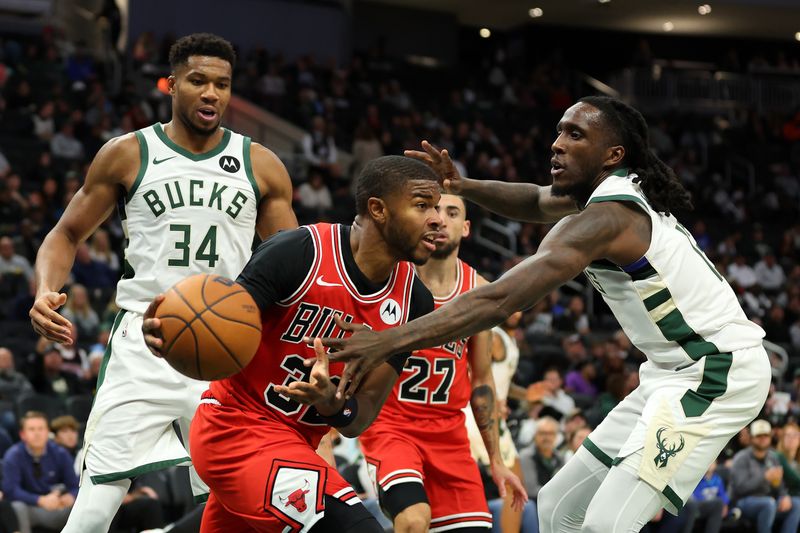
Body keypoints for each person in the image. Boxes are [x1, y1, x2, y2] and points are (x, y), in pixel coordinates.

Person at [319, 96, 771, 532]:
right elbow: (534, 201)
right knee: (557, 507)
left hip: (717, 371)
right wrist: (462, 187)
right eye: (559, 132)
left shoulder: (608, 218)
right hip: (669, 373)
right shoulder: (604, 196)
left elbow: (498, 301)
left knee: (604, 524)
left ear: (613, 154)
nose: (557, 143)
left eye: (575, 135)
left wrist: (388, 339)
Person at [28, 33, 297, 533]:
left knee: (238, 502)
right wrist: (45, 290)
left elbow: (294, 266)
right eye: (198, 81)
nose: (212, 93)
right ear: (172, 85)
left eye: (222, 84)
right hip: (144, 338)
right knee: (97, 500)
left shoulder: (261, 164)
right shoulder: (128, 153)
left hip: (227, 347)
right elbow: (64, 234)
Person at [142, 155, 443, 532]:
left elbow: (359, 417)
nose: (437, 218)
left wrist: (333, 404)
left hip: (297, 443)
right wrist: (170, 335)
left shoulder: (415, 302)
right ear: (378, 209)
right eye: (422, 205)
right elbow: (214, 326)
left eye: (438, 207)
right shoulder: (300, 252)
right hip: (237, 429)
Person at [358, 194, 525, 533]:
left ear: (465, 228)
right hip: (392, 427)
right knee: (414, 520)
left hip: (449, 435)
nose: (441, 219)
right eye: (434, 211)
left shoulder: (478, 291)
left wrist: (495, 458)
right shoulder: (392, 277)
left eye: (452, 212)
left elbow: (481, 380)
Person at [466, 309, 527, 533]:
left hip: (481, 413)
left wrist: (527, 395)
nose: (516, 312)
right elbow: (468, 368)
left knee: (467, 480)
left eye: (520, 307)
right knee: (515, 483)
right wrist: (491, 400)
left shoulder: (507, 338)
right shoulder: (495, 336)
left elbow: (500, 381)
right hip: (480, 414)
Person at [2, 411, 78, 533]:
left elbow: (75, 485)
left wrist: (71, 496)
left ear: (47, 432)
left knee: (83, 505)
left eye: (41, 429)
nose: (37, 433)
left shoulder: (60, 453)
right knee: (17, 507)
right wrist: (40, 500)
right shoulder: (13, 455)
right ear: (23, 434)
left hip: (58, 506)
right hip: (31, 507)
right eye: (32, 429)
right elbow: (11, 490)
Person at [729, 419, 800, 533]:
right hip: (744, 502)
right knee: (768, 503)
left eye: (766, 435)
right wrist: (764, 477)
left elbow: (779, 484)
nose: (763, 439)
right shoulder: (741, 458)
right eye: (759, 435)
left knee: (796, 504)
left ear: (770, 437)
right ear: (751, 438)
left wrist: (783, 496)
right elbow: (739, 489)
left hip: (769, 501)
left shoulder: (772, 458)